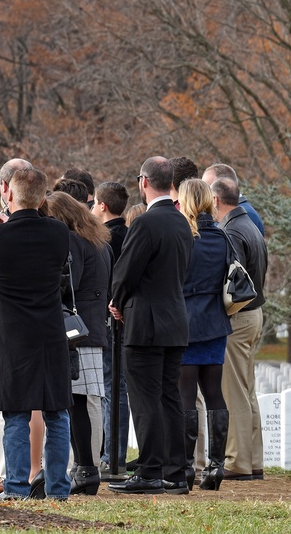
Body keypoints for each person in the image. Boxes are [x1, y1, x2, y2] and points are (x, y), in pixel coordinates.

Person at [0, 168, 72, 501]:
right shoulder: (58, 233)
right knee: (57, 412)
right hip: (50, 336)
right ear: (43, 196)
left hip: (9, 340)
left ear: (8, 194)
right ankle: (58, 488)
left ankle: (16, 487)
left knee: (16, 415)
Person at [108, 156, 193, 495]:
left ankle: (149, 471)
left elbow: (126, 271)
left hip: (144, 322)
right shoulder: (181, 222)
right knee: (170, 397)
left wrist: (116, 300)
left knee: (145, 399)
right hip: (175, 320)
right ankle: (176, 472)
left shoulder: (146, 223)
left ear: (144, 182)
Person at [46, 191, 112, 495]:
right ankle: (86, 467)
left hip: (76, 331)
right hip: (93, 327)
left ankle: (85, 468)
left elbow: (66, 285)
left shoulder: (72, 241)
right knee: (84, 400)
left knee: (77, 402)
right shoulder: (98, 241)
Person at [210, 176, 269, 481]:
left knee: (233, 392)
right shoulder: (251, 226)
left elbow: (233, 282)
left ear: (217, 201)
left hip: (239, 316)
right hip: (255, 314)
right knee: (247, 391)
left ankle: (237, 461)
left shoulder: (230, 231)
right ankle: (254, 459)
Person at [177, 179, 232, 490]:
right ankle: (215, 467)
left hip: (185, 321)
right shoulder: (222, 237)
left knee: (186, 395)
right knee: (214, 394)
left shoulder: (185, 236)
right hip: (215, 321)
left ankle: (186, 467)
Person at [91, 181, 131, 475]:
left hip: (111, 319)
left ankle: (111, 455)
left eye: (94, 205)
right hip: (124, 319)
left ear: (102, 206)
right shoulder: (130, 235)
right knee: (118, 388)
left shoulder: (106, 240)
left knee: (111, 388)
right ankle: (113, 453)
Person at [202, 163, 265, 235]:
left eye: (208, 187)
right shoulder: (223, 213)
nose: (204, 193)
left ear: (224, 184)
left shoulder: (247, 214)